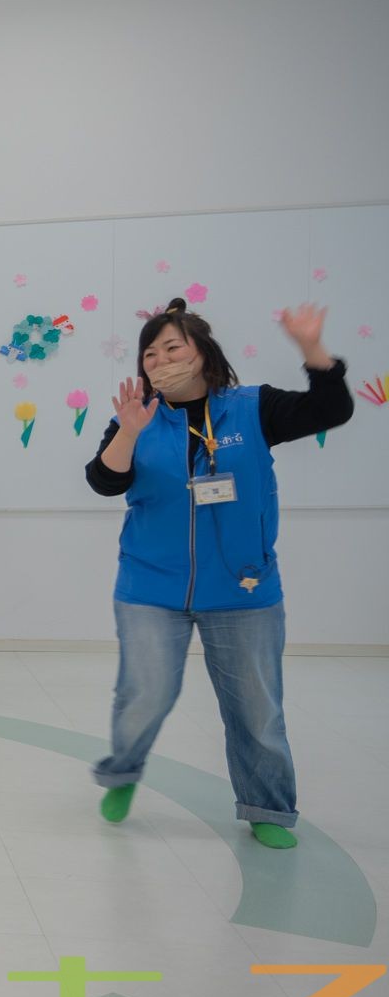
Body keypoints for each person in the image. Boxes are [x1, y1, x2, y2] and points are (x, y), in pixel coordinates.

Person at [83, 300, 351, 850]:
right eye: (150, 354)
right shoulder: (137, 416)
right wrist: (128, 433)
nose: (160, 361)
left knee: (256, 708)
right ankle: (123, 773)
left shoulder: (253, 408)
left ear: (202, 353)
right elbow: (104, 482)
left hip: (243, 587)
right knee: (144, 693)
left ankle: (266, 807)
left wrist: (310, 347)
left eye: (172, 348)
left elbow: (332, 409)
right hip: (150, 585)